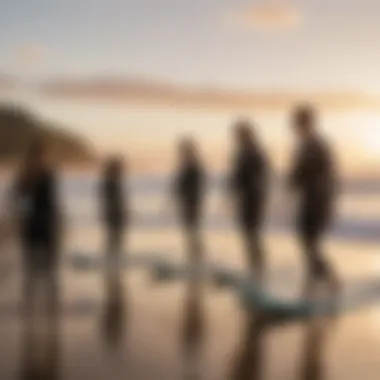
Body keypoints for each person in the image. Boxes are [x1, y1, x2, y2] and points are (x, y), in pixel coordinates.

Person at [288, 105, 340, 297]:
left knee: (311, 243)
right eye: (296, 124)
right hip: (308, 200)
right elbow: (298, 174)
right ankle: (316, 281)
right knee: (306, 242)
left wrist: (327, 199)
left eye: (299, 123)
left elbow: (327, 174)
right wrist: (292, 181)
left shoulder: (318, 145)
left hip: (318, 201)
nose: (296, 127)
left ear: (308, 123)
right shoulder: (303, 146)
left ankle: (331, 281)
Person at [12, 138, 61, 315]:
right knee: (39, 266)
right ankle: (39, 303)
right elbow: (17, 197)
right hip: (39, 224)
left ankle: (42, 303)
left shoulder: (31, 173)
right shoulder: (40, 173)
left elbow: (16, 198)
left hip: (38, 223)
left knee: (41, 266)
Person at [228, 120, 269, 283]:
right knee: (248, 234)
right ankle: (253, 267)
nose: (237, 138)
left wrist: (253, 188)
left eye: (239, 135)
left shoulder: (255, 152)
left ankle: (259, 269)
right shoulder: (242, 153)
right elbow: (236, 177)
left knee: (252, 233)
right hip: (245, 199)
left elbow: (262, 175)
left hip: (254, 199)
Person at [172, 138, 205, 265]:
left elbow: (195, 184)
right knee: (190, 228)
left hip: (191, 200)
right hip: (188, 200)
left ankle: (197, 255)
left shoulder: (193, 164)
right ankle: (194, 255)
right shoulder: (187, 164)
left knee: (192, 227)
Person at [100, 156, 127, 264]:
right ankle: (111, 260)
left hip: (116, 214)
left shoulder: (113, 183)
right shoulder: (110, 183)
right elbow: (111, 201)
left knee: (115, 239)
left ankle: (113, 259)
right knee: (113, 238)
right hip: (114, 215)